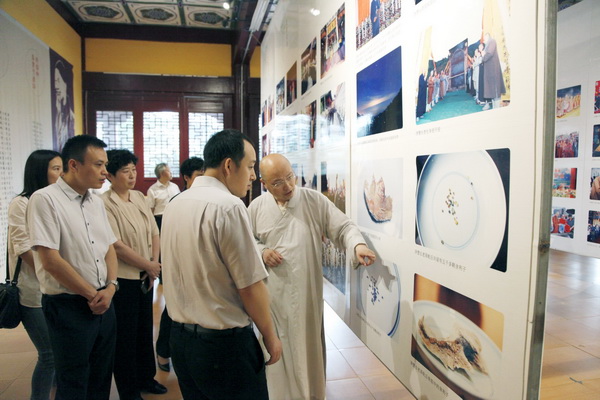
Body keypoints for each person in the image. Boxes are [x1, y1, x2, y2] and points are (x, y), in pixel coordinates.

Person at [161, 130, 282, 399]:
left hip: (181, 341)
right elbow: (249, 285)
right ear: (229, 165)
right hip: (223, 348)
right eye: (250, 167)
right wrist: (270, 337)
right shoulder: (229, 206)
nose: (253, 176)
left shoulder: (176, 203)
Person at [247, 153, 377, 400]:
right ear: (263, 183)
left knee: (308, 352)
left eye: (290, 177)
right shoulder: (255, 208)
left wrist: (357, 246)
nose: (287, 186)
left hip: (307, 293)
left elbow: (344, 227)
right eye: (277, 183)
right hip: (272, 298)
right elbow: (246, 241)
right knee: (276, 351)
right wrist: (262, 251)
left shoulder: (313, 200)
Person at [27, 135, 118, 400]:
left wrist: (111, 288)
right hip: (69, 306)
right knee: (73, 381)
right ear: (74, 165)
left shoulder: (96, 201)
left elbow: (109, 247)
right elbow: (50, 260)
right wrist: (92, 294)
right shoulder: (45, 200)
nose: (105, 172)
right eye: (99, 164)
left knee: (101, 376)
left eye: (106, 164)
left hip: (105, 301)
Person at [102, 149, 166, 400]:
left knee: (143, 330)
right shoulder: (105, 203)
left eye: (134, 170)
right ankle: (128, 389)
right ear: (110, 175)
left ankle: (146, 377)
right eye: (125, 171)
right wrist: (148, 265)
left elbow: (154, 231)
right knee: (125, 336)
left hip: (145, 275)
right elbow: (115, 245)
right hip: (124, 278)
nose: (131, 176)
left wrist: (153, 263)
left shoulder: (139, 196)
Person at [8, 150, 62, 400]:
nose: (61, 173)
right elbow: (24, 248)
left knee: (60, 351)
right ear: (40, 171)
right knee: (49, 354)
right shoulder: (21, 203)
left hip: (59, 288)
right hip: (33, 291)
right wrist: (51, 271)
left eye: (62, 167)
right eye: (56, 168)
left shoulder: (57, 200)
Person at [155, 156, 205, 373]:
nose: (203, 181)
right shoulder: (177, 202)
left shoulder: (209, 199)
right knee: (173, 309)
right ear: (187, 178)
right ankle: (163, 352)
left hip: (203, 267)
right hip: (181, 264)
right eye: (199, 176)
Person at [146, 163, 180, 230]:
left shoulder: (175, 186)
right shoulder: (152, 190)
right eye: (168, 171)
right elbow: (150, 209)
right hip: (160, 219)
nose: (171, 173)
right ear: (161, 174)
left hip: (175, 217)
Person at [52, 60, 75, 151]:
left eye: (58, 80)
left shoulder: (71, 115)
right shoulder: (55, 111)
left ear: (65, 83)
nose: (56, 86)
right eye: (55, 81)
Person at [480, 33, 506, 110]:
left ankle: (497, 109)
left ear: (487, 36)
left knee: (495, 91)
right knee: (492, 92)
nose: (484, 40)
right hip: (490, 71)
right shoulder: (489, 43)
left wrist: (483, 57)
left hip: (493, 71)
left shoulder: (491, 41)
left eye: (484, 38)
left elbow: (489, 54)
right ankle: (495, 108)